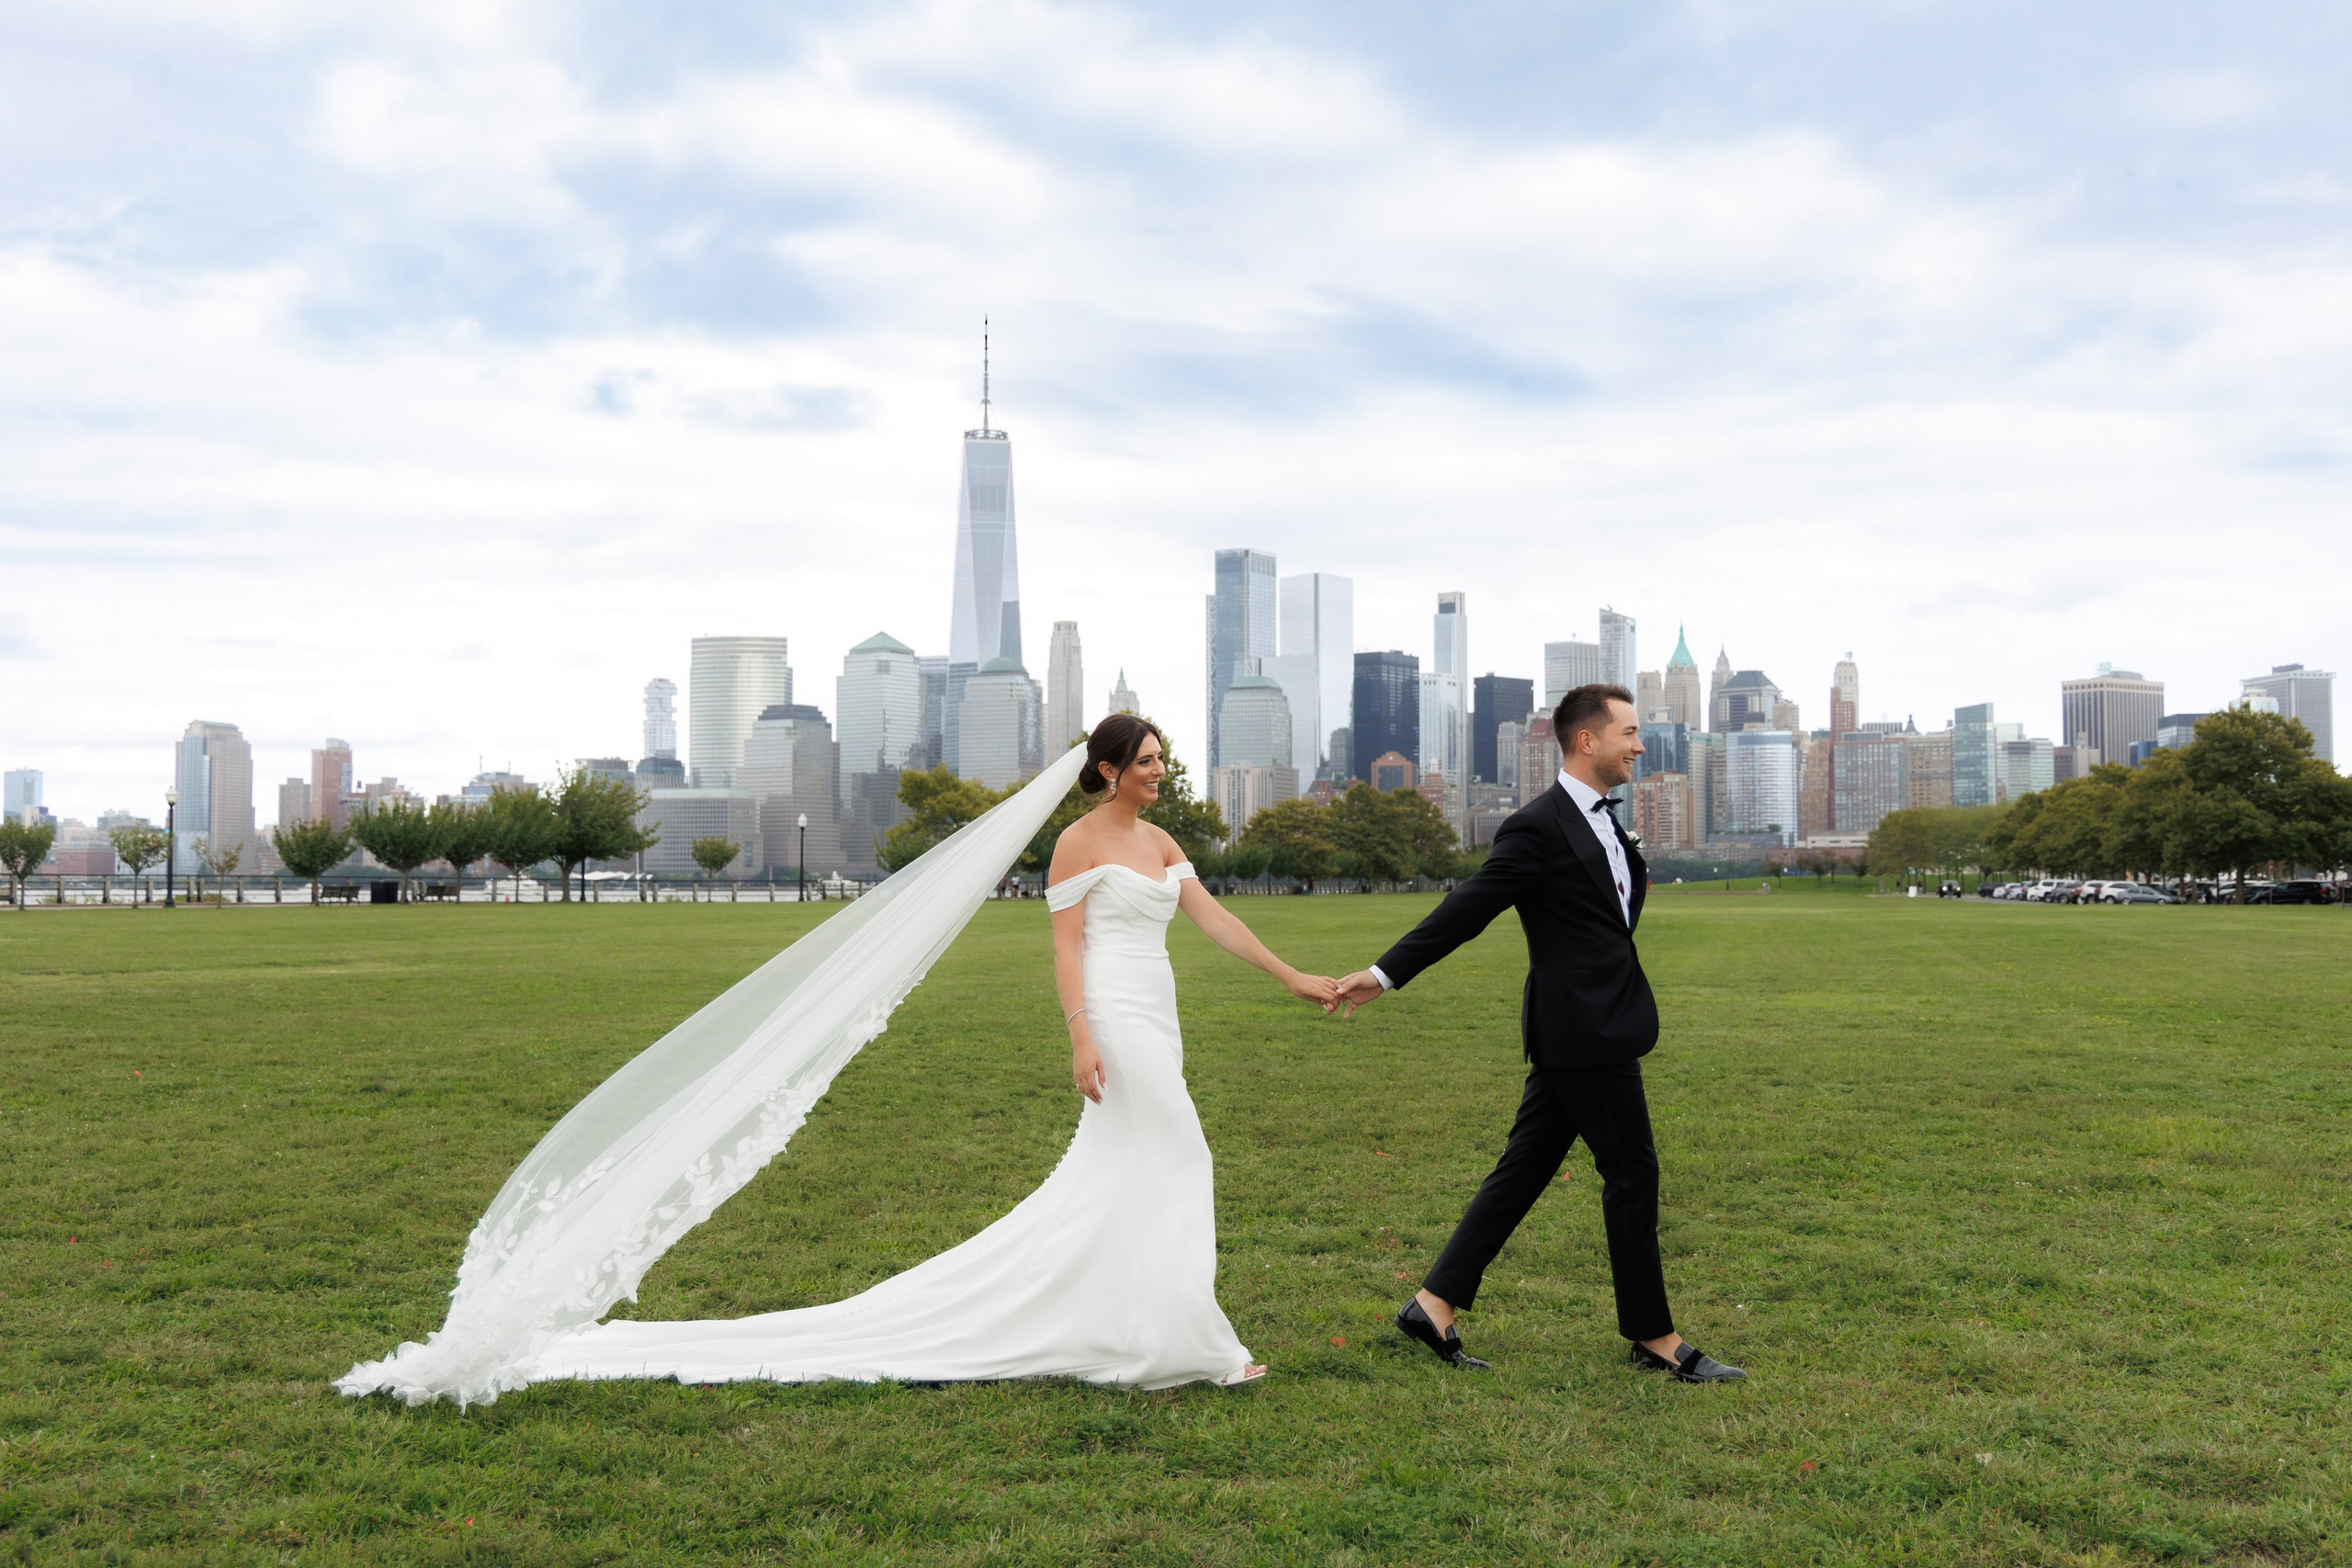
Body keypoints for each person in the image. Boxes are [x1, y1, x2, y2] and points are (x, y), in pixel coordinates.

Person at [512, 715, 1338, 1393]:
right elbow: (1065, 948)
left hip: (1158, 1013)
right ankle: (1187, 1342)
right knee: (1183, 1153)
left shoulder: (1160, 842)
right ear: (1109, 769)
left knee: (1137, 1167)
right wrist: (1081, 1033)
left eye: (1161, 759)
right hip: (1113, 1015)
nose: (1160, 771)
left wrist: (1291, 975)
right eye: (1148, 760)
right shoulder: (1077, 844)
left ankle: (1138, 1322)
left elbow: (1213, 917)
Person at [1334, 683, 1746, 1384]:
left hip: (1587, 1025)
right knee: (1633, 1171)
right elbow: (1469, 907)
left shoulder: (1608, 822)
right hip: (1584, 1031)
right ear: (1587, 740)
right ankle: (1655, 1336)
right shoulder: (1537, 825)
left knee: (1523, 1169)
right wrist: (1385, 972)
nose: (1639, 745)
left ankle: (1432, 1304)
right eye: (1629, 732)